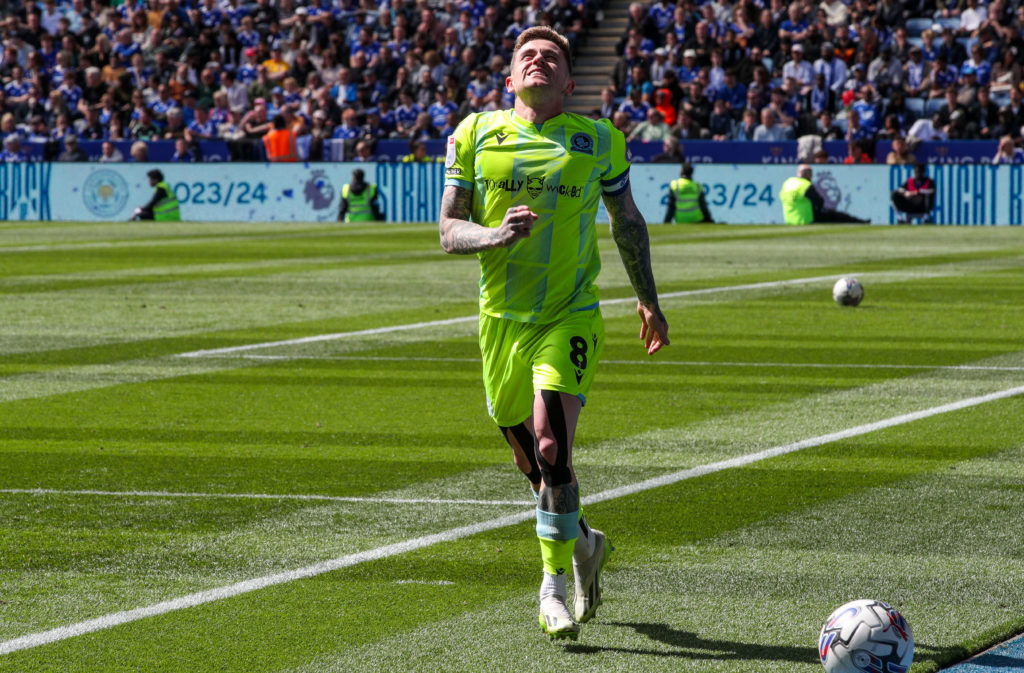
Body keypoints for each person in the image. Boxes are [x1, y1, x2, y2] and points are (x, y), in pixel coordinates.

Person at [438, 26, 669, 641]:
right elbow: (448, 229)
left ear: (570, 82)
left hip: (570, 313)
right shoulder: (474, 133)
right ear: (510, 79)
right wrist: (493, 236)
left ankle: (552, 588)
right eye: (527, 56)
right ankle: (587, 541)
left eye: (553, 57)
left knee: (550, 448)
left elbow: (627, 221)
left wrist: (648, 300)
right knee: (533, 467)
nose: (539, 60)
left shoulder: (598, 140)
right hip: (500, 323)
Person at [779, 164, 869, 225]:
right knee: (838, 216)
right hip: (806, 219)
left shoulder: (787, 183)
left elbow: (784, 198)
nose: (810, 176)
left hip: (790, 220)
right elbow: (819, 201)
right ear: (804, 174)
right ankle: (860, 223)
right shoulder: (805, 185)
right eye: (809, 173)